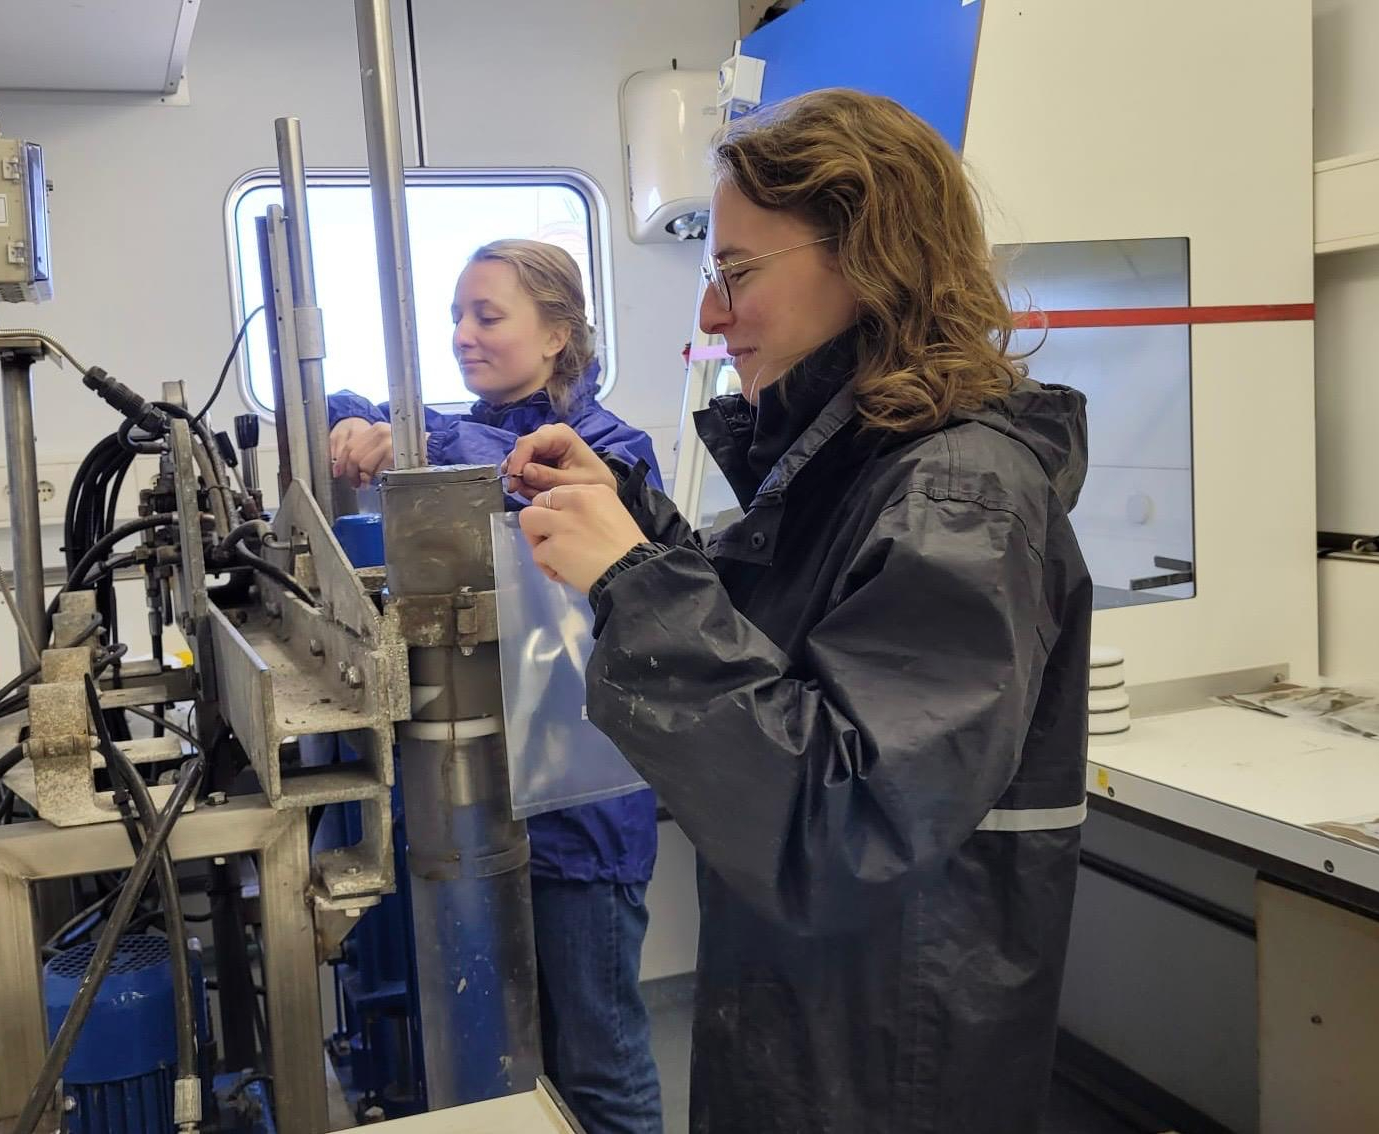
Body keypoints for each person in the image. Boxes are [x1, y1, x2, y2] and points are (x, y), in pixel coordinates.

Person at [505, 89, 1093, 1133]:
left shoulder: (958, 494)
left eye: (735, 274)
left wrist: (635, 581)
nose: (709, 316)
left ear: (868, 258)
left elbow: (844, 820)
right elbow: (776, 666)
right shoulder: (862, 464)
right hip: (814, 1020)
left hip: (881, 1064)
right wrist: (635, 520)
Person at [327, 238, 664, 1134]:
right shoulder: (471, 425)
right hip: (485, 801)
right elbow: (414, 426)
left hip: (580, 816)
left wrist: (417, 432)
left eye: (488, 315)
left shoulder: (610, 452)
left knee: (599, 1059)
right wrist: (347, 416)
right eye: (454, 316)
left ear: (557, 333)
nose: (462, 334)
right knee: (513, 1058)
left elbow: (524, 477)